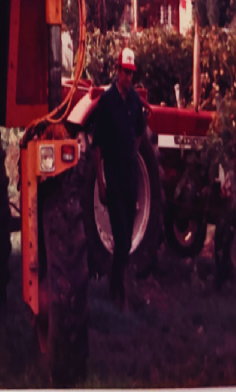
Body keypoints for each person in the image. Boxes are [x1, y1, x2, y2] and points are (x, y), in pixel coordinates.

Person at [91, 47, 147, 310]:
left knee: (126, 242)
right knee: (123, 239)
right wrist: (101, 182)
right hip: (112, 177)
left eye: (132, 73)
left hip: (130, 178)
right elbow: (97, 145)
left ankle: (116, 288)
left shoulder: (135, 101)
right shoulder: (107, 101)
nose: (129, 77)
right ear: (118, 70)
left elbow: (139, 133)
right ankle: (117, 290)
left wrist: (131, 153)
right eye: (126, 72)